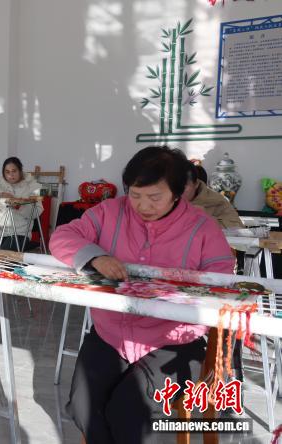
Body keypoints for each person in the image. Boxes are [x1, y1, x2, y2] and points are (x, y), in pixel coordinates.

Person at [49, 146, 235, 443]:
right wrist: (95, 257)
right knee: (84, 406)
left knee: (129, 412)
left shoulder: (203, 228)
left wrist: (179, 295)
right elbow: (62, 237)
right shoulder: (110, 211)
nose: (142, 205)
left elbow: (221, 283)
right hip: (111, 333)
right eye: (135, 195)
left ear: (177, 193)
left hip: (174, 339)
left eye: (154, 197)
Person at [0, 157, 42, 256]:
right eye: (7, 172)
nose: (10, 175)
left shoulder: (33, 185)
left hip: (19, 232)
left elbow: (38, 210)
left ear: (20, 170)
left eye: (14, 171)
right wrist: (0, 194)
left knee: (2, 256)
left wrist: (19, 206)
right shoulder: (0, 182)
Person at [183, 161, 243, 228]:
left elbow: (238, 227)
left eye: (183, 186)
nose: (178, 191)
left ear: (196, 184)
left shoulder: (216, 200)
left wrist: (206, 219)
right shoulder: (173, 199)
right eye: (174, 186)